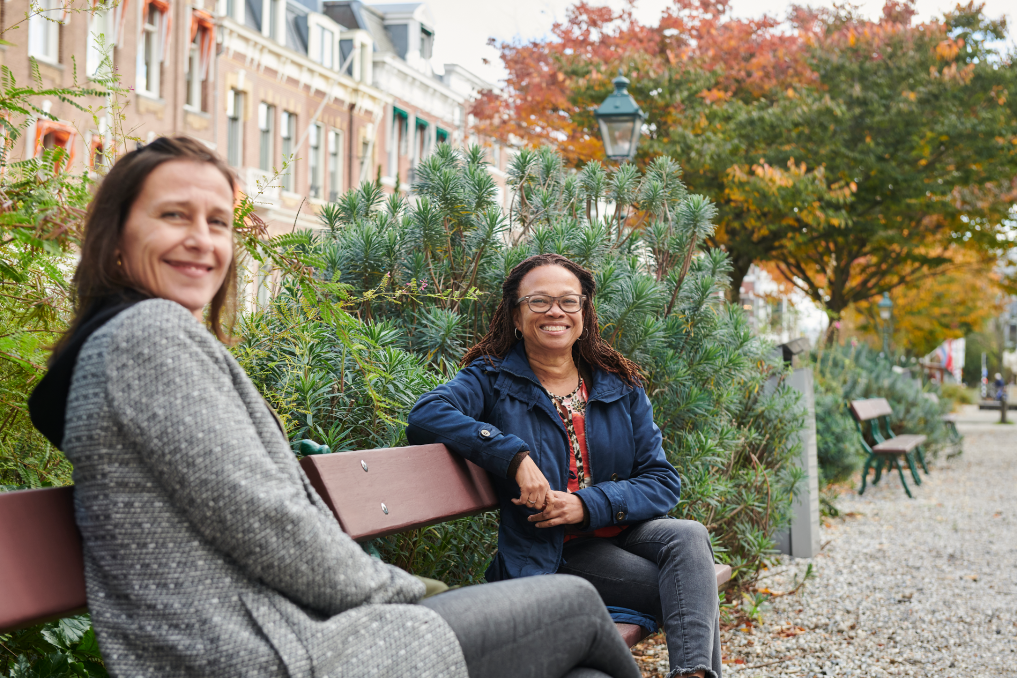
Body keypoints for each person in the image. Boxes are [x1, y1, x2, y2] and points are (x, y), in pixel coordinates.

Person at [28, 138, 640, 678]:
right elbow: (263, 522)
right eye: (173, 215)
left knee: (571, 658)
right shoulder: (149, 338)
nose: (202, 239)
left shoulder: (126, 341)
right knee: (575, 606)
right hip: (266, 654)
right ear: (115, 238)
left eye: (218, 221)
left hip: (275, 636)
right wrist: (402, 591)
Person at [407, 253, 723, 678]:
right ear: (516, 317)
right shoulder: (492, 378)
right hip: (554, 551)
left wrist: (587, 504)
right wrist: (513, 456)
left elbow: (662, 481)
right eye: (538, 301)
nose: (555, 311)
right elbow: (427, 413)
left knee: (688, 535)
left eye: (568, 301)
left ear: (584, 314)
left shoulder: (617, 383)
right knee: (691, 590)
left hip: (625, 532)